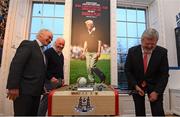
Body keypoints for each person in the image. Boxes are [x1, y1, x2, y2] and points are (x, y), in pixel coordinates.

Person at [6, 29, 56, 116]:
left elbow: (39, 72)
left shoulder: (43, 53)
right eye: (49, 37)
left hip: (36, 93)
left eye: (51, 39)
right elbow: (16, 65)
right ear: (40, 35)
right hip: (24, 92)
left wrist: (42, 88)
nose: (50, 40)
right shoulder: (28, 44)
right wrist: (13, 86)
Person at [125, 28, 169, 116]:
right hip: (137, 85)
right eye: (147, 44)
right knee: (139, 111)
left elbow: (164, 75)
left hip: (155, 85)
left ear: (156, 41)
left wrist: (156, 92)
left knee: (158, 111)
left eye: (153, 44)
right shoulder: (132, 51)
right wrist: (135, 86)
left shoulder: (162, 52)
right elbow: (128, 70)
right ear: (142, 40)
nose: (149, 46)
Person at [38, 37, 65, 116]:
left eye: (63, 44)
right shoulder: (48, 52)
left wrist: (62, 78)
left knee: (57, 103)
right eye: (60, 44)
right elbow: (43, 67)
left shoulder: (61, 54)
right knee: (45, 103)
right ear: (55, 43)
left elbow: (61, 68)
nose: (61, 46)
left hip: (59, 82)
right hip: (49, 82)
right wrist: (50, 77)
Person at [82, 19, 105, 83]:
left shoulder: (97, 31)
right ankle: (92, 81)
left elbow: (99, 41)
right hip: (88, 52)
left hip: (95, 52)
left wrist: (99, 52)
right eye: (86, 25)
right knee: (88, 67)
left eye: (88, 24)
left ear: (92, 25)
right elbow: (86, 42)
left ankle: (102, 75)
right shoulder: (87, 32)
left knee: (92, 66)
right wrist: (83, 51)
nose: (87, 26)